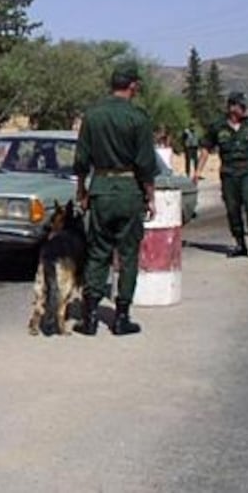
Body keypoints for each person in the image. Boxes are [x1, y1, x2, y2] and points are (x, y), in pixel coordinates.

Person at [72, 61, 158, 336]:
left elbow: (81, 160)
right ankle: (121, 317)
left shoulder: (92, 116)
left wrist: (82, 193)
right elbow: (145, 163)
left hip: (100, 189)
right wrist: (150, 196)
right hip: (129, 190)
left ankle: (90, 317)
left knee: (98, 252)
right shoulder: (138, 117)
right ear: (132, 85)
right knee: (129, 254)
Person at [192, 92, 248, 261]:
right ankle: (240, 244)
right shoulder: (218, 126)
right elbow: (206, 148)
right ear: (232, 107)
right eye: (241, 106)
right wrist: (198, 171)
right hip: (229, 173)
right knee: (232, 209)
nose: (244, 109)